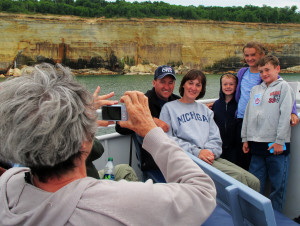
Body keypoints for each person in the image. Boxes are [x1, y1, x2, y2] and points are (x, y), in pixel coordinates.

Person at [0, 63, 216, 225]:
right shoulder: (116, 202)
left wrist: (81, 116)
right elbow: (203, 193)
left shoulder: (9, 184)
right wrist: (150, 129)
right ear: (85, 142)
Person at [160, 69, 260, 192]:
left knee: (254, 182)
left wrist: (209, 152)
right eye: (190, 83)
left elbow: (215, 138)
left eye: (198, 85)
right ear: (183, 85)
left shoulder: (205, 110)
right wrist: (197, 152)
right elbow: (168, 139)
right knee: (238, 178)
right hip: (190, 159)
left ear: (202, 89)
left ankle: (245, 211)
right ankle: (241, 211)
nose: (194, 88)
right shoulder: (169, 108)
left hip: (210, 157)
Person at [241, 55, 295, 212]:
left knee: (278, 186)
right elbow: (248, 114)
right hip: (256, 145)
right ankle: (256, 217)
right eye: (261, 71)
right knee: (256, 184)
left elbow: (285, 115)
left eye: (267, 70)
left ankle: (276, 218)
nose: (264, 74)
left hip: (276, 145)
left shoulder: (284, 88)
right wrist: (245, 138)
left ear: (277, 69)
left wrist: (280, 141)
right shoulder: (255, 90)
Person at [235, 41, 298, 170]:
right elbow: (237, 93)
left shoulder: (267, 76)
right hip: (242, 120)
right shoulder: (242, 72)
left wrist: (293, 112)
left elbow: (284, 93)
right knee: (242, 157)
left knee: (254, 160)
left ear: (262, 55)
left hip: (259, 124)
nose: (249, 58)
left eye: (253, 55)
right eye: (246, 55)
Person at [116, 65, 180, 171]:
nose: (167, 87)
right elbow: (120, 128)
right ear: (154, 83)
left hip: (176, 153)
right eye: (163, 82)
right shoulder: (143, 101)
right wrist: (152, 120)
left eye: (170, 82)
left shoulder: (177, 101)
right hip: (153, 160)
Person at [212, 73, 238, 163]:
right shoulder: (216, 104)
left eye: (231, 84)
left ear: (236, 86)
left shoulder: (239, 104)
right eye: (225, 84)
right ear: (221, 86)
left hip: (235, 145)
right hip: (220, 144)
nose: (228, 87)